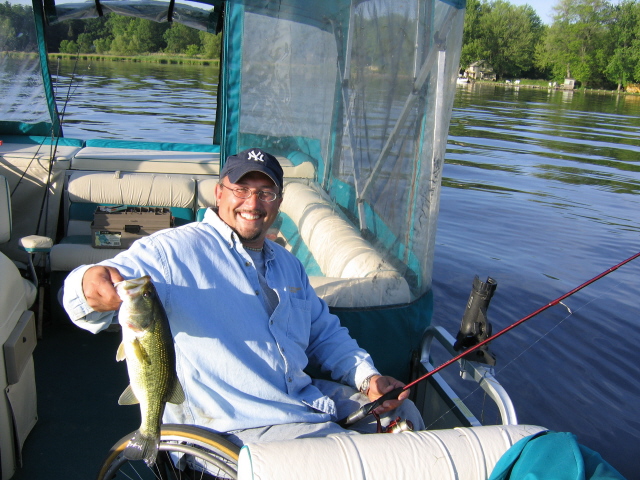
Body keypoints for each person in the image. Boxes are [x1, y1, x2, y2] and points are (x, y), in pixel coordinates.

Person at [63, 147, 424, 447]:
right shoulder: (168, 253)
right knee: (345, 455)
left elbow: (324, 334)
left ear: (278, 202)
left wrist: (367, 377)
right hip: (234, 426)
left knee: (404, 415)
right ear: (219, 193)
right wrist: (88, 286)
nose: (253, 202)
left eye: (265, 193)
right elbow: (81, 297)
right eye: (241, 189)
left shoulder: (288, 264)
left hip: (300, 400)